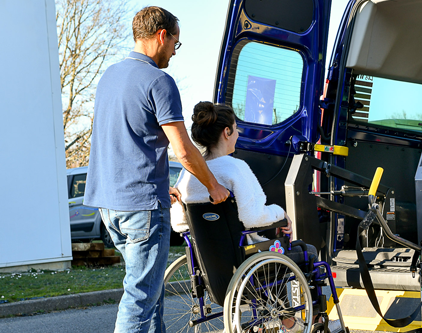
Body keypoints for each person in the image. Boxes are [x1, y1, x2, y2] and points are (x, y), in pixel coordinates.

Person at [83, 7, 229, 333]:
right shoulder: (159, 81)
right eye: (176, 44)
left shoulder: (109, 76)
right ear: (162, 35)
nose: (174, 53)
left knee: (150, 292)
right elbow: (184, 150)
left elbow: (122, 140)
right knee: (140, 297)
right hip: (142, 208)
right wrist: (214, 186)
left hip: (110, 204)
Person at [170, 102, 324, 333]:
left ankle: (284, 320)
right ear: (226, 132)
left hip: (211, 269)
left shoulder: (188, 173)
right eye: (236, 128)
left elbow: (180, 223)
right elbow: (254, 218)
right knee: (305, 251)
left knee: (267, 251)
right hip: (242, 264)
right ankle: (302, 322)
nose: (238, 133)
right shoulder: (235, 168)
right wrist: (282, 215)